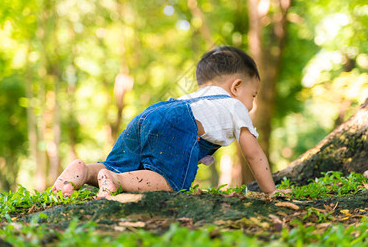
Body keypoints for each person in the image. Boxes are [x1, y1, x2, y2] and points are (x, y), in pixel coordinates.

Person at [52, 46, 285, 199]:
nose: (252, 105)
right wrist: (271, 191)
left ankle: (83, 171)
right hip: (180, 123)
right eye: (253, 95)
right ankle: (116, 180)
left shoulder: (195, 98)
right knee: (170, 182)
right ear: (236, 87)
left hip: (151, 113)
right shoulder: (235, 106)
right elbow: (254, 154)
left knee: (117, 164)